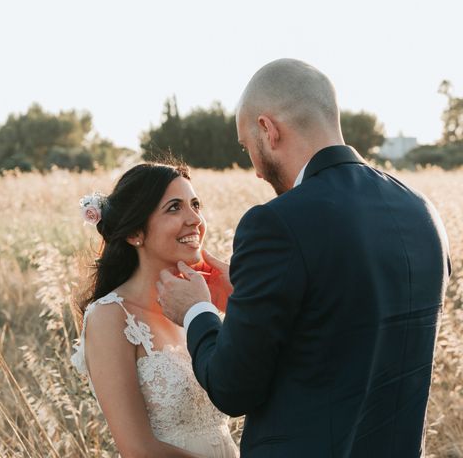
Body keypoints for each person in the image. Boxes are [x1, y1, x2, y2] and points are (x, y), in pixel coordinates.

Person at [157, 58, 452, 457]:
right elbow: (346, 328)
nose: (257, 172)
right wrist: (248, 294)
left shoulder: (275, 224)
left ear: (268, 129)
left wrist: (197, 312)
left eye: (248, 149)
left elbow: (232, 387)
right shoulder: (422, 212)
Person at [71, 163, 239, 457]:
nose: (195, 219)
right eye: (174, 208)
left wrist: (240, 303)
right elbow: (139, 449)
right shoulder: (110, 316)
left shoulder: (197, 309)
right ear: (136, 232)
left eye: (195, 205)